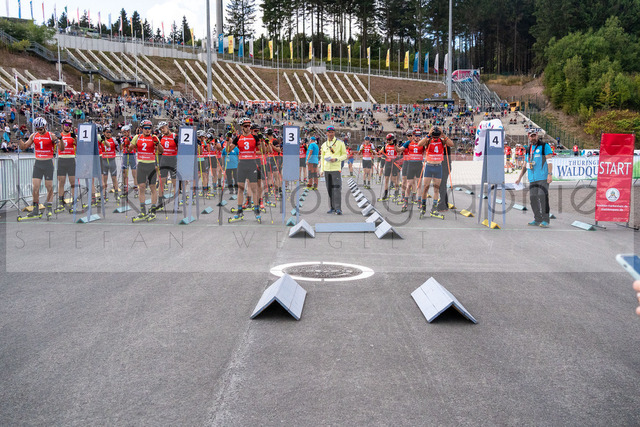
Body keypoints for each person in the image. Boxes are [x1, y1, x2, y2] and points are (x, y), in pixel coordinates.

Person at [18, 117, 62, 219]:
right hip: (38, 163)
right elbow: (23, 147)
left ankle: (49, 207)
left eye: (41, 129)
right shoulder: (34, 136)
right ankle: (35, 210)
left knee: (49, 186)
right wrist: (19, 139)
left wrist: (59, 140)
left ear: (45, 126)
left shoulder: (51, 135)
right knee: (35, 187)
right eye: (37, 129)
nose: (39, 131)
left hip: (48, 163)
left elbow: (61, 148)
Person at [227, 118, 265, 223]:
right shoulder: (238, 138)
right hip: (242, 164)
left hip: (252, 164)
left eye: (249, 126)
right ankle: (239, 211)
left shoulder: (255, 137)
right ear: (242, 127)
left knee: (254, 189)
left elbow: (263, 151)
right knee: (240, 189)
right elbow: (228, 150)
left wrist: (261, 141)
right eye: (245, 126)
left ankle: (257, 211)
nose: (248, 128)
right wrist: (227, 139)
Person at [515, 128, 553, 227]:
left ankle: (546, 220)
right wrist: (519, 178)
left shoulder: (544, 146)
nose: (533, 138)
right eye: (531, 136)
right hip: (532, 178)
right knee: (533, 198)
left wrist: (550, 174)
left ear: (537, 135)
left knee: (542, 196)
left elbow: (549, 161)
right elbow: (525, 165)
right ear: (528, 137)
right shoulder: (528, 149)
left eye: (534, 135)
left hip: (543, 177)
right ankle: (537, 219)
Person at [128, 119, 163, 221]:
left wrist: (158, 144)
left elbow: (161, 151)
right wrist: (129, 144)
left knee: (152, 188)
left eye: (149, 128)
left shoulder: (154, 137)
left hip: (151, 165)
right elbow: (130, 149)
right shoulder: (137, 137)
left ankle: (153, 211)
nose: (147, 130)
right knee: (142, 188)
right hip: (141, 165)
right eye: (145, 128)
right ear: (141, 129)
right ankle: (143, 211)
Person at [319, 125, 347, 215]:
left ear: (334, 133)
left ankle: (338, 208)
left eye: (332, 132)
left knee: (337, 188)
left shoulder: (340, 143)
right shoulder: (324, 145)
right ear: (326, 133)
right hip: (327, 169)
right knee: (329, 189)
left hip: (336, 169)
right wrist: (321, 170)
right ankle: (332, 207)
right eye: (329, 132)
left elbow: (345, 155)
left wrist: (336, 159)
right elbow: (322, 158)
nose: (331, 134)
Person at [55, 118, 76, 213]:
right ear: (62, 126)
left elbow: (78, 146)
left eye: (70, 125)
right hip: (62, 159)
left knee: (73, 182)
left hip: (71, 159)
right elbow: (60, 148)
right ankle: (61, 202)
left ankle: (73, 202)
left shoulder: (72, 136)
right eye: (66, 125)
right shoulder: (59, 136)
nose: (68, 127)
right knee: (61, 181)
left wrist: (75, 138)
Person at [157, 121, 178, 210]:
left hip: (173, 160)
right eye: (160, 129)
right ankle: (160, 202)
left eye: (163, 128)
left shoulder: (174, 136)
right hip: (164, 160)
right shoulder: (160, 137)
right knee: (161, 182)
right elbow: (158, 150)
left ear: (167, 126)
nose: (162, 130)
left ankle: (176, 203)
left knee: (174, 183)